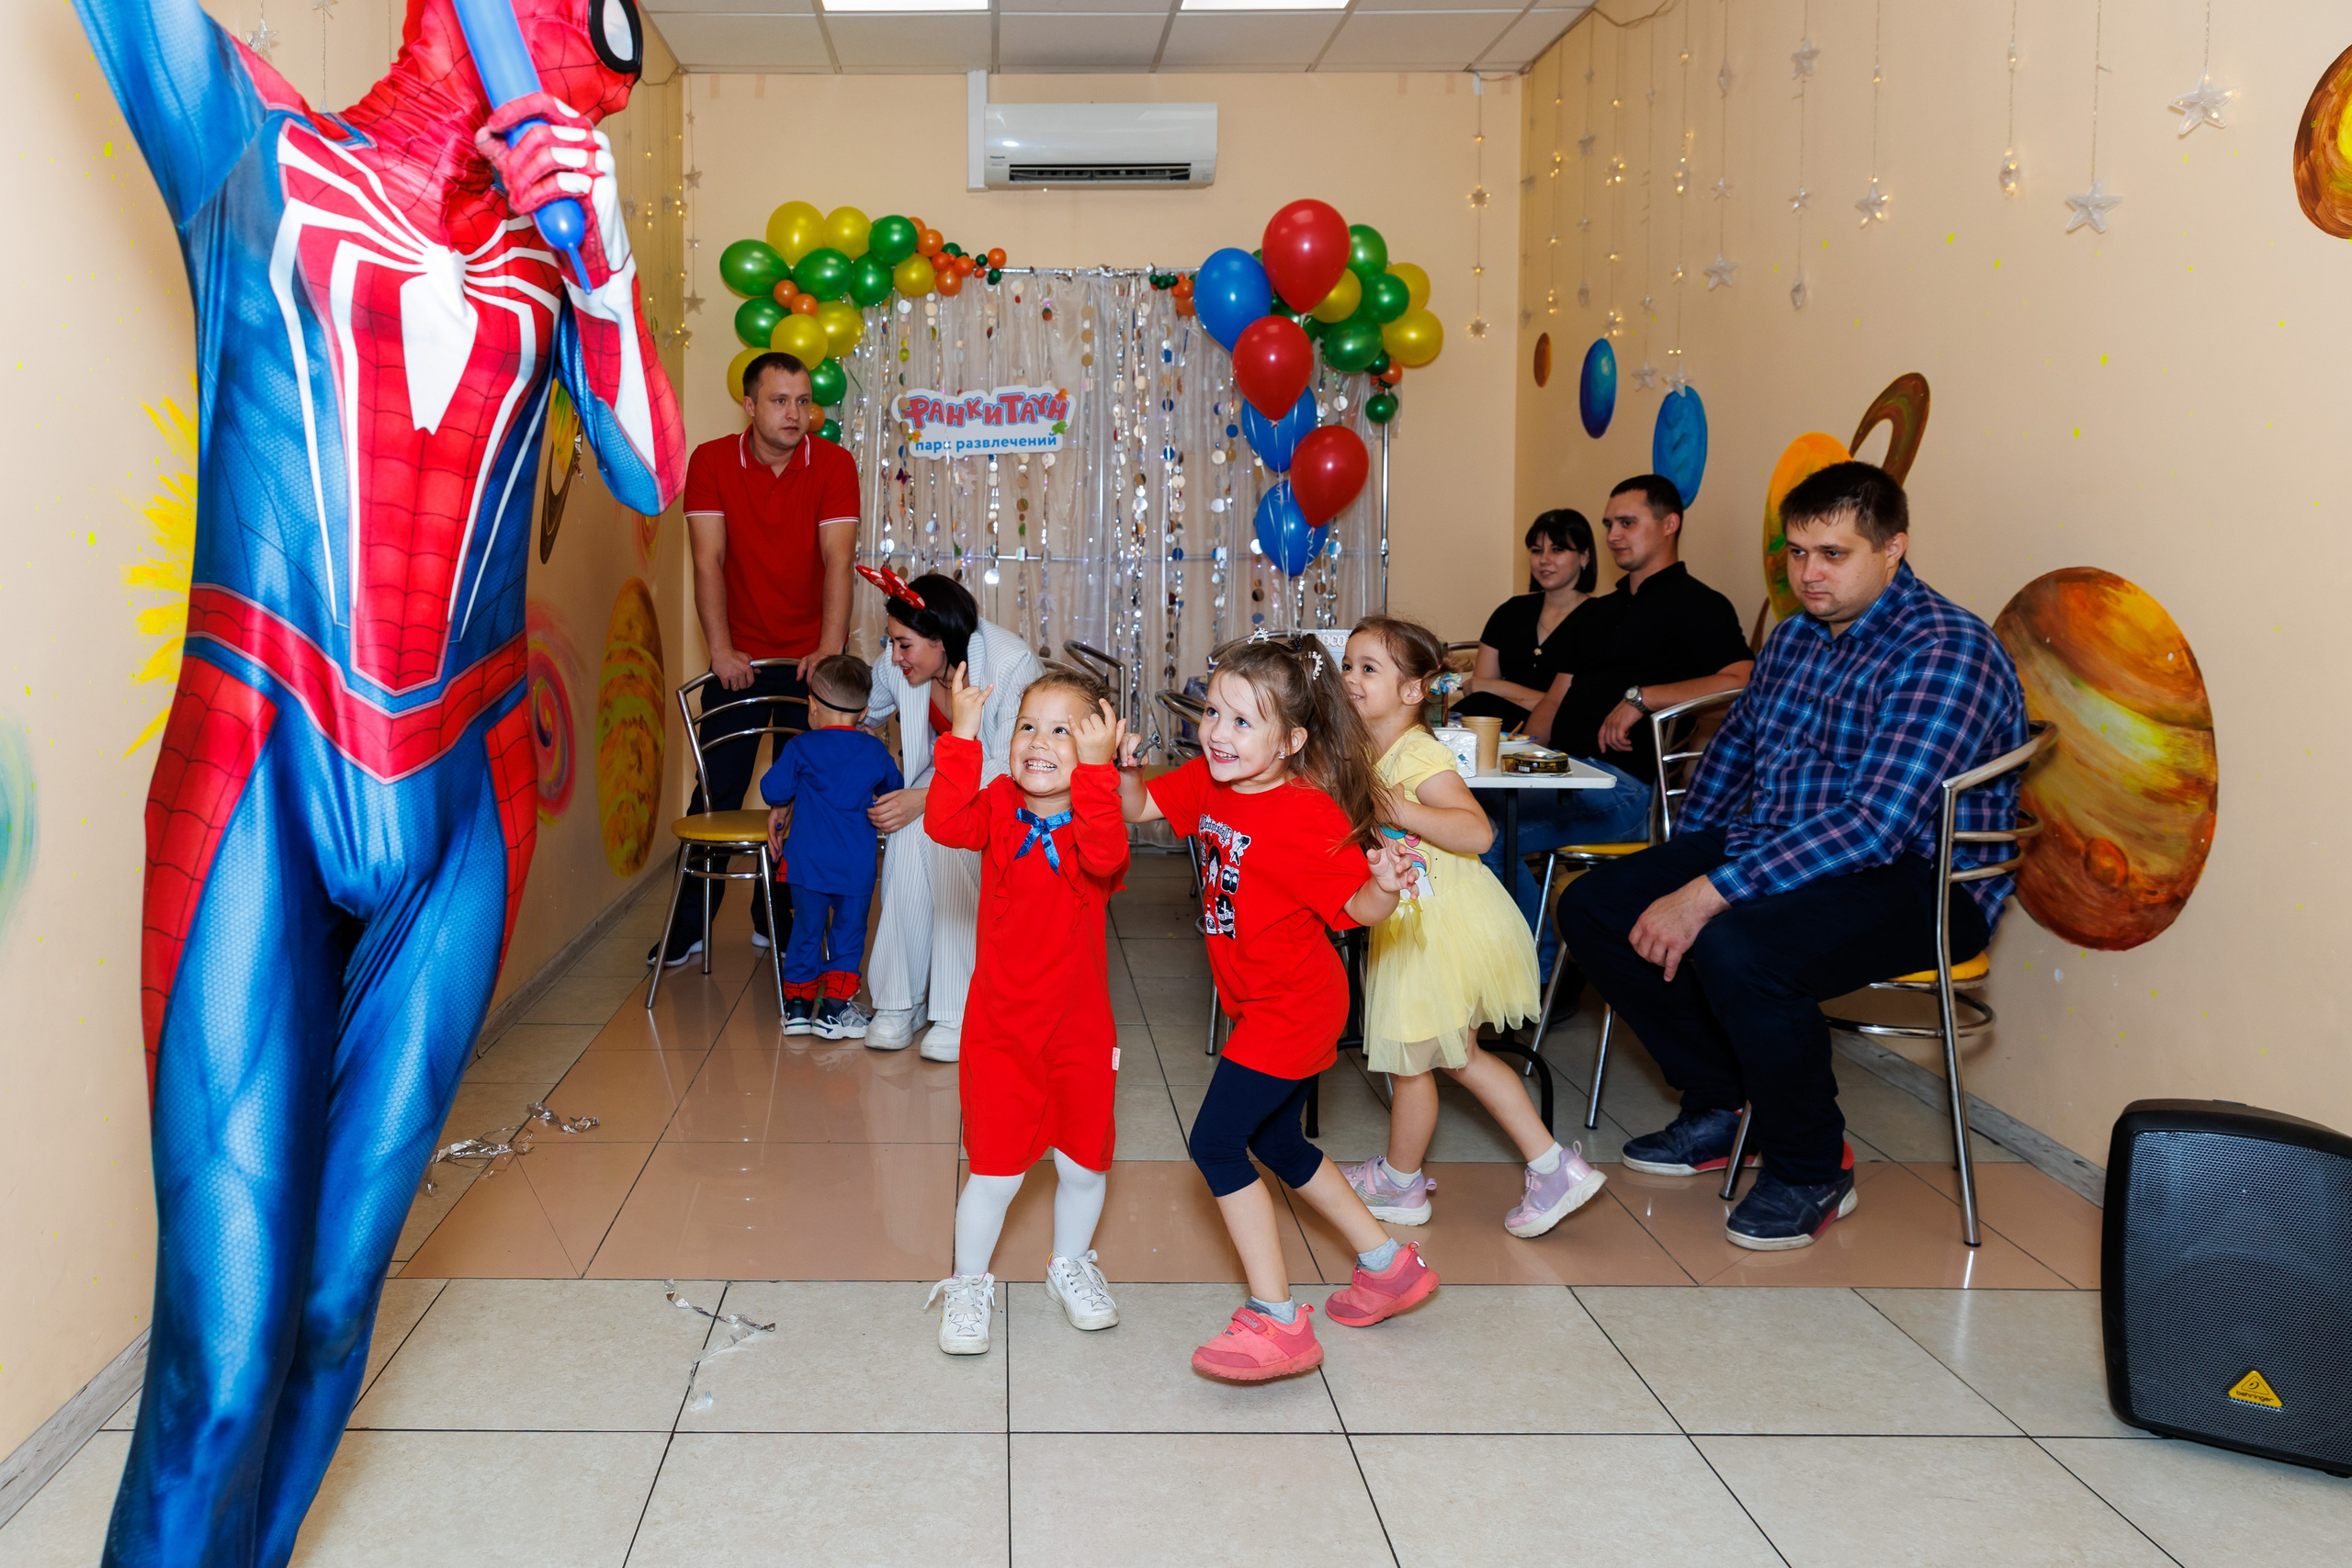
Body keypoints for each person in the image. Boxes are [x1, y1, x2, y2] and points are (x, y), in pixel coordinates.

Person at [74, 1, 686, 1558]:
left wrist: (605, 262)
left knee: (337, 1305)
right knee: (221, 1353)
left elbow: (649, 469)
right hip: (257, 768)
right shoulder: (252, 149)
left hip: (465, 800)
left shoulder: (555, 259)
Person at [1557, 462, 2029, 1250]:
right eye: (1798, 552)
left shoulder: (1946, 649)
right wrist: (1682, 863)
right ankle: (1724, 1100)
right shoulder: (1796, 635)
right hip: (1786, 846)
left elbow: (1875, 826)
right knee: (1595, 906)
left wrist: (1707, 892)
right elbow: (1735, 753)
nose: (1809, 573)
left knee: (1739, 945)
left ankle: (1812, 1167)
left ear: (1892, 548)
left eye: (1833, 554)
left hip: (1918, 878)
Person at [1120, 637, 1440, 1383]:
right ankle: (1387, 1266)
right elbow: (1140, 809)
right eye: (1213, 712)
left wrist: (1385, 882)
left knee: (1215, 1145)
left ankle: (1277, 1319)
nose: (1218, 733)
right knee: (1281, 1144)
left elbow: (1359, 909)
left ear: (1291, 741)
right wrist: (1127, 771)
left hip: (1294, 1006)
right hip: (1262, 1000)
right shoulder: (1210, 780)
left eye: (1243, 722)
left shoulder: (1306, 815)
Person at [1337, 618, 1608, 1239]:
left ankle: (1427, 1179)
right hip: (1419, 919)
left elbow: (1477, 832)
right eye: (1347, 665)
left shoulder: (1418, 755)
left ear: (1413, 690)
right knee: (1444, 1058)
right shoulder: (1375, 749)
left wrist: (1403, 809)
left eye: (1369, 668)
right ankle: (1422, 1176)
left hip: (1442, 928)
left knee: (1427, 1060)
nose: (1351, 677)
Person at [922, 666, 1132, 1356]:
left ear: (1095, 746)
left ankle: (1070, 1264)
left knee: (1083, 1164)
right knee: (996, 1170)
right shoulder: (997, 803)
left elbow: (1105, 855)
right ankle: (968, 1283)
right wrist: (962, 733)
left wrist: (1099, 775)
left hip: (1080, 1031)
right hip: (1001, 1029)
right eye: (1026, 727)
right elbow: (942, 822)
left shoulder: (1098, 814)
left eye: (1061, 731)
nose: (1038, 741)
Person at [1484, 474, 1755, 975]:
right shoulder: (1598, 612)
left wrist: (1643, 697)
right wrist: (1514, 753)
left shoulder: (1698, 604)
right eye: (1609, 524)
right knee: (1465, 805)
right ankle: (1501, 964)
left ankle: (1539, 973)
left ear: (1669, 524)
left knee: (1488, 832)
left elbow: (1742, 679)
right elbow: (1557, 697)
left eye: (1627, 523)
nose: (1612, 535)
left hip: (1625, 790)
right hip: (1562, 770)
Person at [656, 350, 860, 966]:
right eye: (779, 401)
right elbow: (708, 560)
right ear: (749, 405)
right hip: (739, 657)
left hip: (809, 661)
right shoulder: (712, 461)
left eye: (803, 401)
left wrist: (829, 652)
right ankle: (690, 926)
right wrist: (720, 650)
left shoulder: (834, 464)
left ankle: (780, 920)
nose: (794, 413)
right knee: (717, 791)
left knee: (809, 799)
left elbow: (838, 561)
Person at [861, 570, 1043, 1061]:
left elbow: (1013, 761)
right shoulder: (898, 665)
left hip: (1005, 788)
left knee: (947, 839)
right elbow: (860, 715)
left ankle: (957, 1009)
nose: (894, 656)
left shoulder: (1009, 662)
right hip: (946, 778)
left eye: (904, 645)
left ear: (941, 640)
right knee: (907, 836)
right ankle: (900, 1001)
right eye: (891, 642)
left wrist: (925, 799)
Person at [760, 655, 902, 1040]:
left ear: (813, 706)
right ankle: (833, 1012)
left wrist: (784, 801)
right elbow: (894, 789)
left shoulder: (800, 746)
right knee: (848, 935)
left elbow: (773, 789)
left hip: (807, 865)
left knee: (806, 932)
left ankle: (797, 1009)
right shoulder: (873, 752)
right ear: (864, 712)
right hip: (855, 867)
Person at [1452, 509, 1604, 739]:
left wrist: (1500, 688)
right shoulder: (1510, 611)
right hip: (1499, 729)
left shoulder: (1600, 617)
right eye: (1536, 550)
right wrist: (1526, 697)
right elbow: (1478, 690)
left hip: (1563, 736)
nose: (1544, 560)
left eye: (1557, 550)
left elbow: (1578, 707)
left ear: (1584, 557)